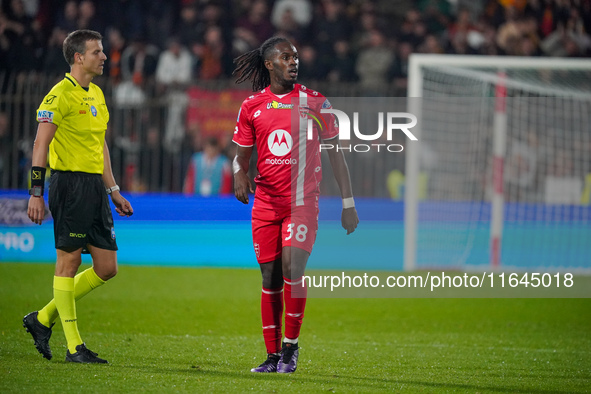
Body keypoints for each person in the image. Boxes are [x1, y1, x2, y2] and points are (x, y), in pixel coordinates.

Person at [232, 36, 359, 373]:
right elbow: (241, 157)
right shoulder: (252, 106)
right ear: (270, 63)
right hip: (265, 205)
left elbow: (336, 154)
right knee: (270, 277)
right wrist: (238, 174)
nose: (294, 62)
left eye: (296, 57)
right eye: (286, 57)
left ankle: (291, 348)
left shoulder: (316, 102)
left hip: (302, 202)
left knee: (292, 267)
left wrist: (348, 202)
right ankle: (272, 356)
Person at [23, 29, 133, 364]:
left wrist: (113, 189)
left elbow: (99, 145)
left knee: (106, 267)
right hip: (68, 186)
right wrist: (36, 194)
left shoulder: (97, 94)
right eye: (97, 51)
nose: (104, 56)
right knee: (69, 262)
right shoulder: (59, 96)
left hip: (95, 188)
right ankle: (75, 347)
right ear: (78, 57)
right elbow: (40, 145)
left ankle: (41, 319)